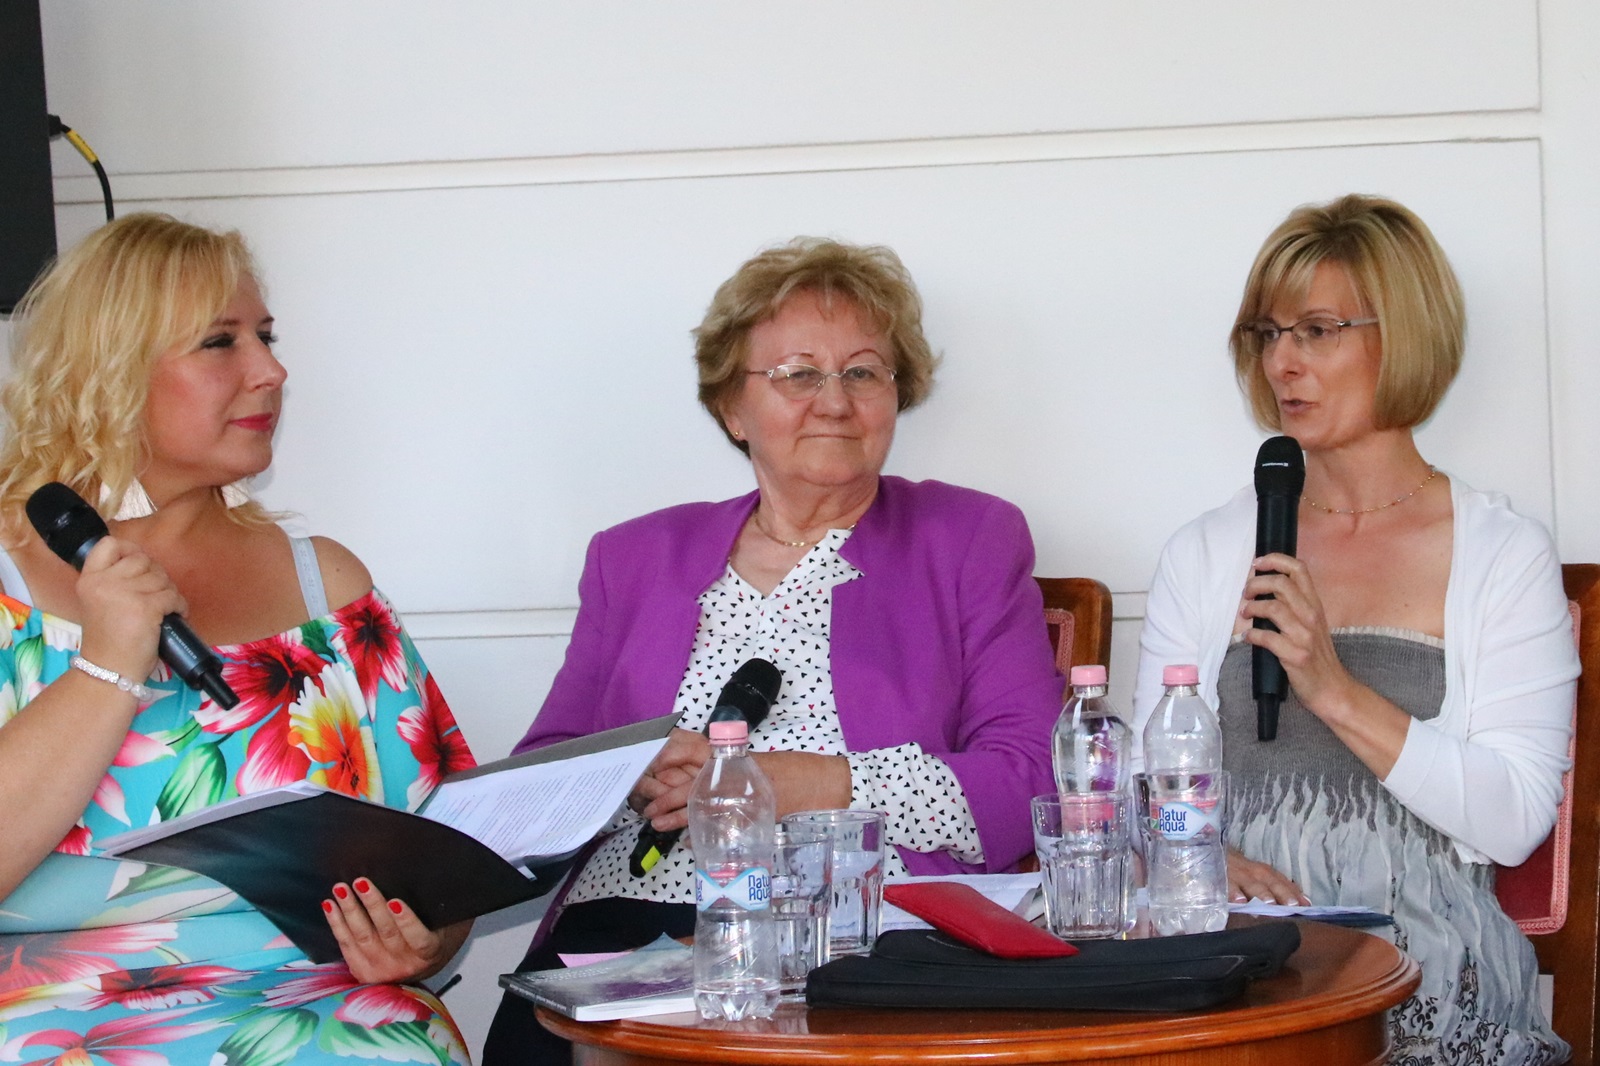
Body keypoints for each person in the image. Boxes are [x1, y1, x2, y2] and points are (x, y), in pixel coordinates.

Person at [483, 236, 1063, 1063]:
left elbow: (1031, 777)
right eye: (798, 374)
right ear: (732, 408)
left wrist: (809, 785)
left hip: (862, 934)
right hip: (635, 931)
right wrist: (630, 770)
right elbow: (537, 781)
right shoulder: (634, 558)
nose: (835, 401)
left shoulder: (968, 539)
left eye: (863, 372)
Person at [0, 214, 478, 1065]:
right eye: (221, 342)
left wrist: (419, 942)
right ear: (110, 371)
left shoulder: (326, 586)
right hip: (41, 1008)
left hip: (314, 1007)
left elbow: (452, 863)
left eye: (266, 336)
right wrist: (107, 664)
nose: (270, 370)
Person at [1133, 194, 1578, 1064]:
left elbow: (1516, 820)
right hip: (1234, 959)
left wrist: (1334, 689)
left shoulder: (1501, 552)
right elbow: (1149, 787)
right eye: (1268, 333)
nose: (1282, 362)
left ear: (1404, 335)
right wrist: (1198, 855)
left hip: (1421, 963)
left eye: (1317, 330)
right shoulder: (1208, 549)